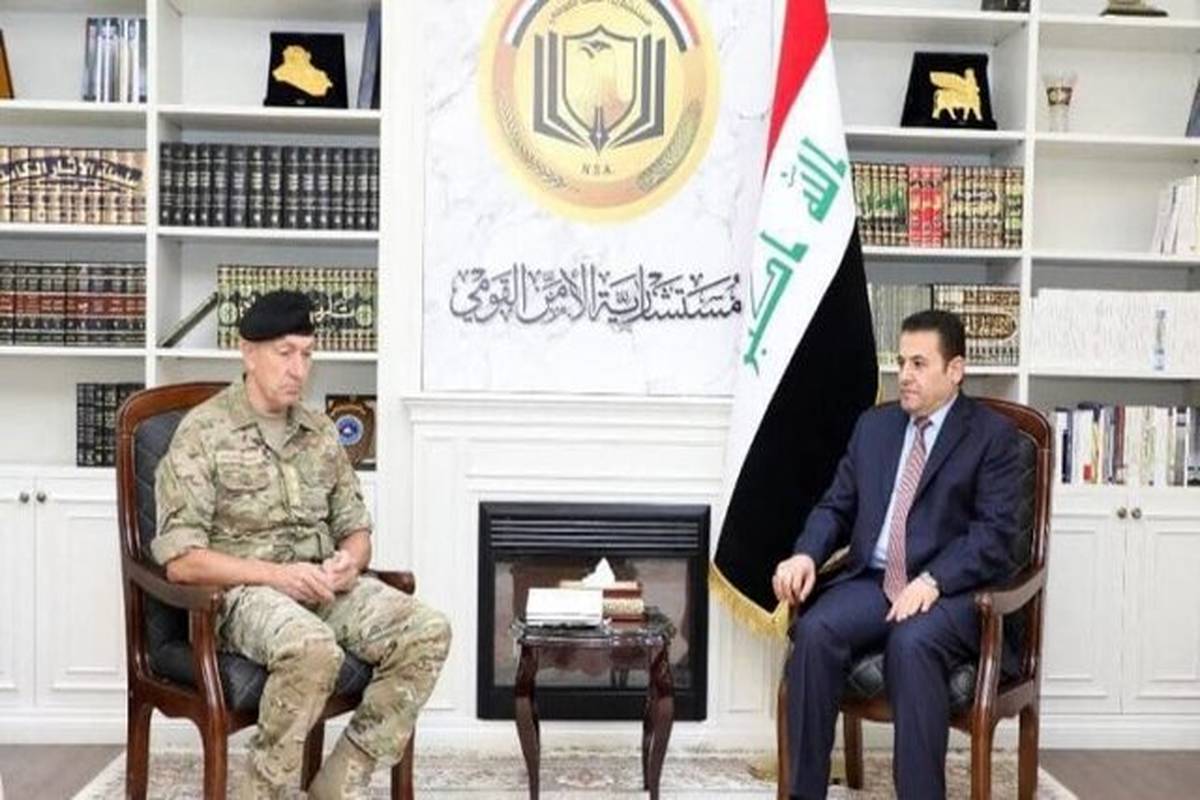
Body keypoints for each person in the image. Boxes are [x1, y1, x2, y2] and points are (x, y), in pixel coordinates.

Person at [152, 290, 451, 800]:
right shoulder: (202, 433)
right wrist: (278, 576)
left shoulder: (320, 431)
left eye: (307, 354)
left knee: (427, 630)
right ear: (248, 353)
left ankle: (338, 785)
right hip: (241, 596)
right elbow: (182, 562)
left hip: (320, 586)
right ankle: (262, 792)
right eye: (285, 352)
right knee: (312, 649)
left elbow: (356, 529)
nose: (298, 369)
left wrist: (349, 561)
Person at [773, 309, 1021, 800]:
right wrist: (805, 555)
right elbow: (837, 506)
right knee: (816, 631)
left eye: (919, 364)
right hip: (876, 580)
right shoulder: (874, 428)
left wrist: (933, 580)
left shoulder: (992, 437)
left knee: (912, 643)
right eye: (902, 362)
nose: (905, 375)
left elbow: (994, 537)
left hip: (952, 592)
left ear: (955, 369)